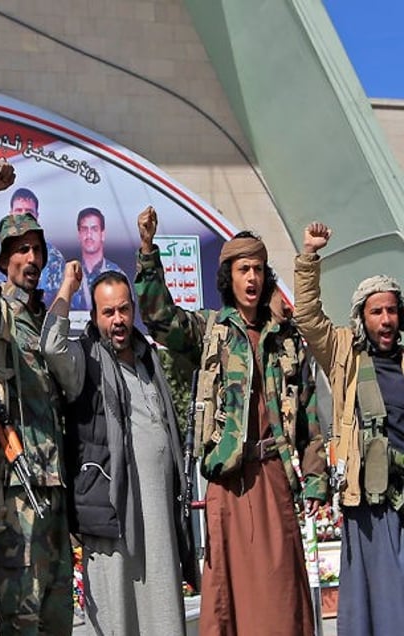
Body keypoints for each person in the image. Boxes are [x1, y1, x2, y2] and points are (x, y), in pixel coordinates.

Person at [134, 206, 327, 636]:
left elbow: (308, 414)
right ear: (228, 276)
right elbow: (160, 319)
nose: (252, 279)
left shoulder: (285, 339)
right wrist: (148, 249)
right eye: (244, 270)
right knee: (227, 595)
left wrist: (315, 479)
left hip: (273, 475)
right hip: (228, 479)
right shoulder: (210, 330)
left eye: (258, 269)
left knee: (280, 592)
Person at [41, 264, 192, 635]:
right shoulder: (85, 360)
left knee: (164, 614)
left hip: (158, 516)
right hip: (110, 517)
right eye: (108, 312)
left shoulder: (148, 361)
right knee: (116, 620)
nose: (118, 320)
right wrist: (67, 286)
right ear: (94, 316)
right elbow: (51, 346)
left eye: (124, 309)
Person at [0, 158, 73, 636]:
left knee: (58, 616)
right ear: (4, 261)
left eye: (36, 250)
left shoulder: (48, 320)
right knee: (22, 620)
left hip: (56, 492)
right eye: (19, 251)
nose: (30, 259)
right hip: (18, 489)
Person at [294, 222, 404, 635]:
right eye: (377, 311)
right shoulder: (344, 354)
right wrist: (309, 256)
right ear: (363, 317)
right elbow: (306, 316)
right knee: (372, 605)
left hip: (403, 498)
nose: (386, 319)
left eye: (392, 310)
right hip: (368, 500)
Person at [0, 187, 65, 306]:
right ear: (10, 214)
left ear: (37, 216)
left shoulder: (54, 257)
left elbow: (57, 299)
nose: (23, 216)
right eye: (19, 211)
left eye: (28, 213)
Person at [71, 207, 124, 311]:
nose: (89, 235)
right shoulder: (68, 275)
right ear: (79, 235)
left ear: (102, 235)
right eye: (84, 229)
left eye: (94, 229)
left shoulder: (117, 275)